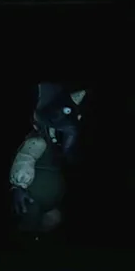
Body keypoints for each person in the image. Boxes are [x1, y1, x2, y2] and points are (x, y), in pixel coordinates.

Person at [9, 83, 87, 241]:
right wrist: (19, 187)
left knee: (53, 220)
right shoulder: (38, 142)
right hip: (33, 197)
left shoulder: (58, 145)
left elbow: (70, 158)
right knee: (29, 222)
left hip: (53, 200)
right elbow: (25, 158)